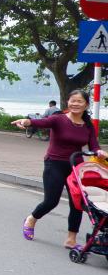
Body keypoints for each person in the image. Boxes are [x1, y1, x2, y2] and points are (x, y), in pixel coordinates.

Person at [14, 90, 107, 249]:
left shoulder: (88, 125)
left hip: (76, 168)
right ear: (67, 102)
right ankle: (31, 219)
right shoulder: (58, 119)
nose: (75, 104)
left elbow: (94, 146)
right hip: (54, 164)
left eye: (79, 101)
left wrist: (99, 152)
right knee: (51, 201)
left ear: (86, 105)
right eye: (72, 101)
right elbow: (41, 122)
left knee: (77, 204)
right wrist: (26, 121)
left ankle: (70, 239)